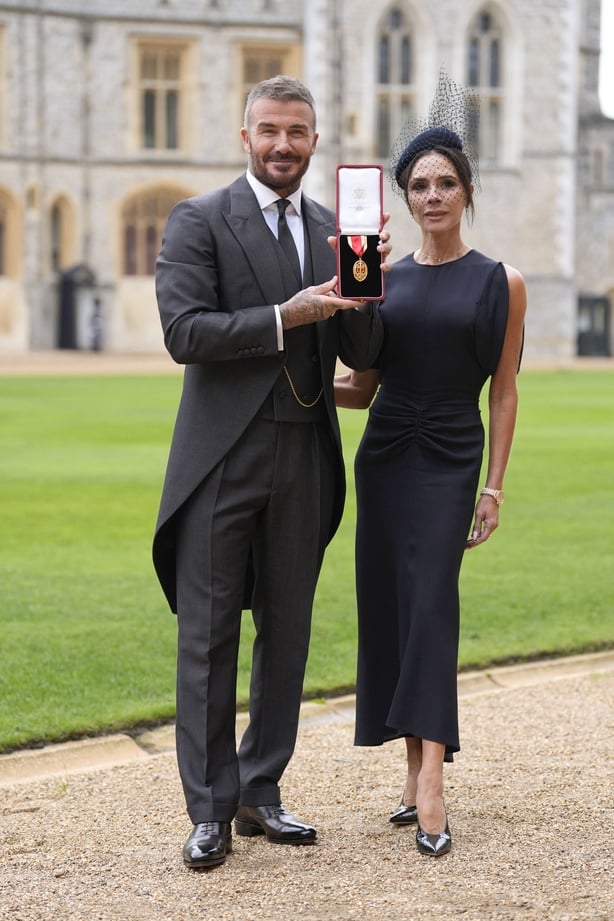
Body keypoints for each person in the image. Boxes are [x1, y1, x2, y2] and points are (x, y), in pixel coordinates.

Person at [153, 75, 390, 869]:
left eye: (297, 132)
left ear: (315, 141)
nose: (283, 144)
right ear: (244, 136)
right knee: (210, 635)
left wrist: (369, 290)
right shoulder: (199, 219)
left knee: (286, 632)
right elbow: (184, 331)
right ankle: (211, 809)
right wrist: (288, 315)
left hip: (305, 455)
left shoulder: (333, 226)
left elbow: (362, 354)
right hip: (222, 455)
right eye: (269, 130)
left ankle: (261, 791)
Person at [335, 88, 527, 857]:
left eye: (446, 182)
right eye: (419, 184)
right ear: (403, 199)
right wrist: (287, 377)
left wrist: (494, 484)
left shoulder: (501, 282)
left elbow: (506, 391)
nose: (433, 194)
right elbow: (361, 385)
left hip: (452, 455)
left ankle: (436, 779)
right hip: (385, 454)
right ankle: (413, 774)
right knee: (392, 605)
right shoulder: (379, 278)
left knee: (432, 604)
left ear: (467, 192)